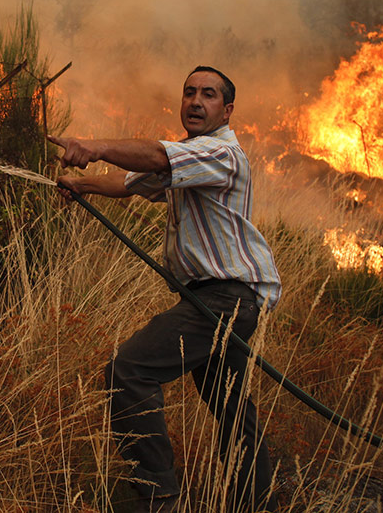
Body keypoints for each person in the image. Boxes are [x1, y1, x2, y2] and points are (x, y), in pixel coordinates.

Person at [49, 66, 281, 513]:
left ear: (227, 109)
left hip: (223, 300)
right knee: (230, 405)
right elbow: (132, 184)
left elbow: (157, 158)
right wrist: (82, 185)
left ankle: (157, 499)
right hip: (219, 300)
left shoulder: (219, 154)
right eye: (189, 92)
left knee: (129, 371)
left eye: (208, 95)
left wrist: (93, 147)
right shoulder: (191, 159)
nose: (195, 101)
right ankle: (259, 502)